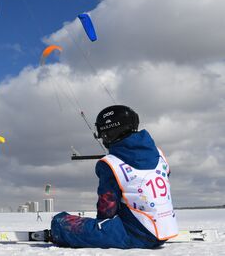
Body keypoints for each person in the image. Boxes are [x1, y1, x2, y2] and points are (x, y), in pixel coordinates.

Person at [42, 105, 178, 249]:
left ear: (109, 132)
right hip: (166, 229)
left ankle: (58, 230)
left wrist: (100, 229)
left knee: (61, 222)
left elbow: (107, 210)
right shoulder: (159, 153)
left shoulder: (110, 164)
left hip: (136, 234)